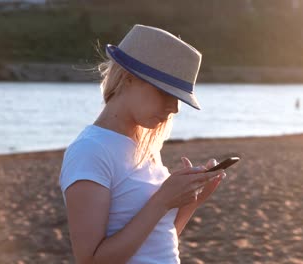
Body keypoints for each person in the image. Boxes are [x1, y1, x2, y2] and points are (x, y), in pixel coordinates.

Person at [59, 24, 226, 264]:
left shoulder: (145, 147)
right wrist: (162, 201)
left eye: (178, 98)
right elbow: (90, 260)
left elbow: (157, 242)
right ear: (128, 78)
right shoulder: (90, 151)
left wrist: (191, 201)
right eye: (165, 93)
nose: (175, 108)